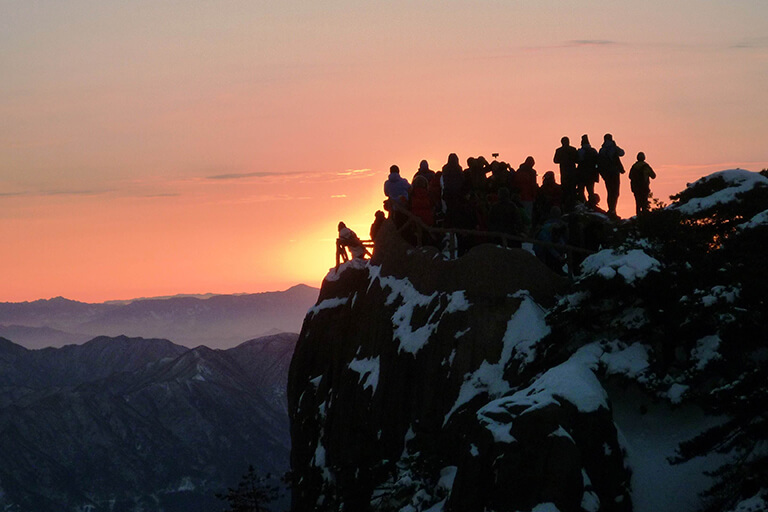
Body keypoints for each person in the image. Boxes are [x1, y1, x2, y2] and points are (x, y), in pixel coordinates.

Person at [598, 133, 625, 217]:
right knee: (615, 192)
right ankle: (613, 210)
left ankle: (611, 209)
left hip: (606, 174)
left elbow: (599, 162)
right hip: (614, 173)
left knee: (609, 191)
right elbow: (622, 153)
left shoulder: (602, 150)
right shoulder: (614, 148)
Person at [553, 137, 580, 211]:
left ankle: (566, 206)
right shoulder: (573, 149)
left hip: (564, 172)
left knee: (565, 189)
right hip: (572, 172)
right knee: (572, 190)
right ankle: (572, 206)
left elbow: (555, 160)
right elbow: (577, 160)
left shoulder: (559, 150)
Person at [628, 152, 657, 216]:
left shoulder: (634, 166)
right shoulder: (646, 166)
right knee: (644, 202)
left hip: (636, 188)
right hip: (644, 187)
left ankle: (638, 216)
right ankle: (644, 217)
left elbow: (630, 176)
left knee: (637, 203)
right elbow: (653, 176)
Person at [513, 156, 538, 227]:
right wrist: (534, 195)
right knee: (528, 216)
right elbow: (533, 185)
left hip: (520, 197)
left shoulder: (519, 171)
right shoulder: (532, 172)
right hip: (529, 198)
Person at [577, 134, 599, 203]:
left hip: (581, 174)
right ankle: (591, 204)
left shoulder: (580, 151)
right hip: (591, 174)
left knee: (581, 190)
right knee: (590, 190)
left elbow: (578, 160)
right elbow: (598, 161)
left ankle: (582, 203)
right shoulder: (593, 151)